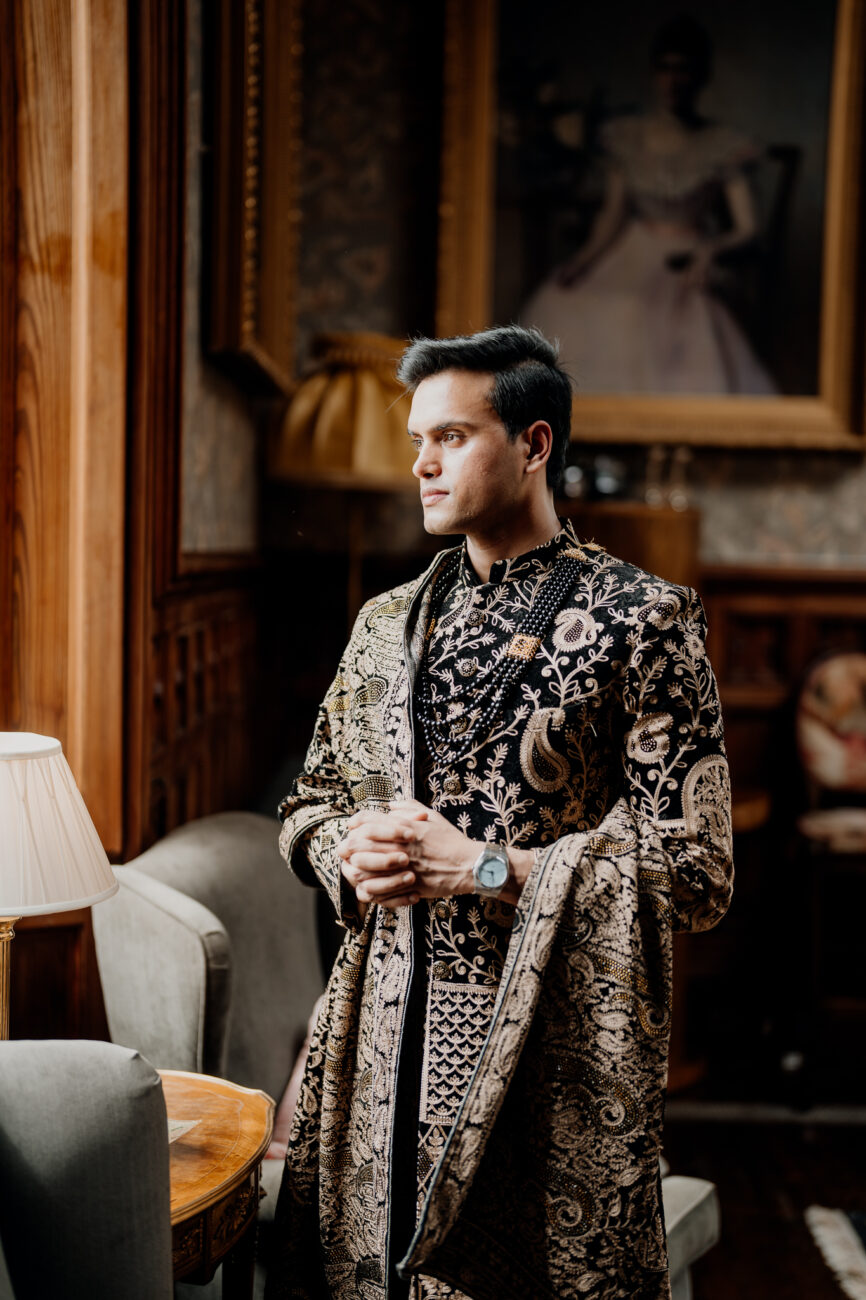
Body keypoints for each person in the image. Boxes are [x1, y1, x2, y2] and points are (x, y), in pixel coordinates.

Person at [267, 325, 733, 1300]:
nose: (420, 463)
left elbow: (695, 869)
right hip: (376, 1047)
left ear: (532, 445)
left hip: (548, 1061)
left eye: (450, 436)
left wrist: (481, 865)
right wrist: (342, 849)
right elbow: (309, 803)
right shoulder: (383, 624)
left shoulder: (640, 619)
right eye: (415, 439)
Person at [521, 15, 776, 395]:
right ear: (654, 74)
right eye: (665, 68)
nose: (674, 80)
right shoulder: (627, 138)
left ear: (701, 76)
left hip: (685, 256)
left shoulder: (723, 145)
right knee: (573, 300)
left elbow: (747, 227)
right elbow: (612, 214)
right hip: (631, 248)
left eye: (684, 69)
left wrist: (710, 249)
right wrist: (581, 262)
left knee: (645, 311)